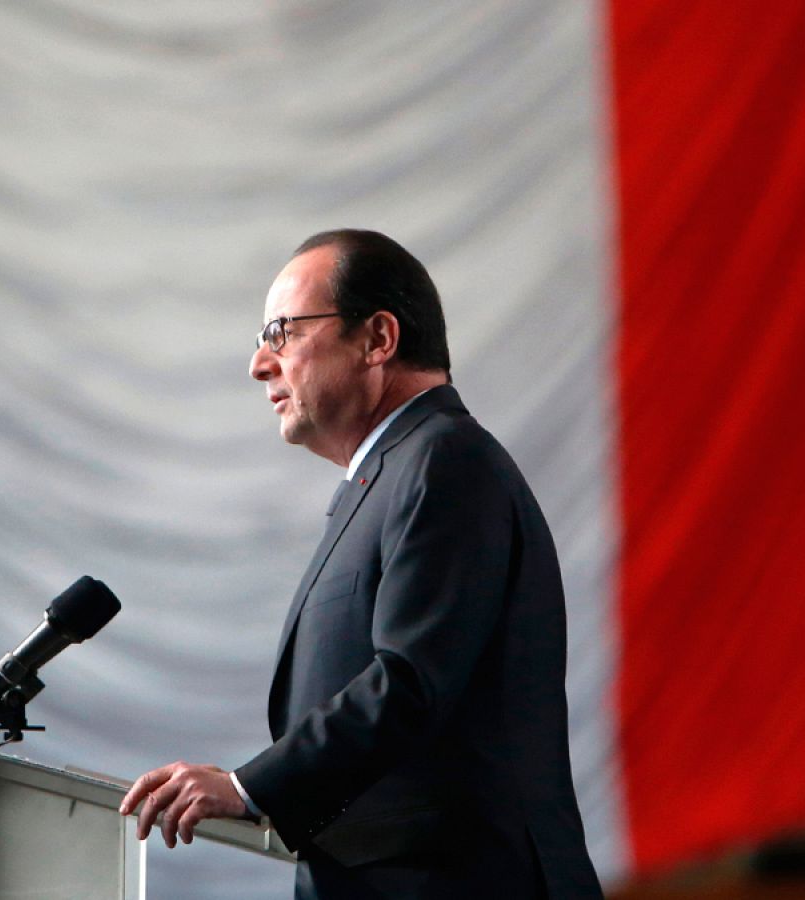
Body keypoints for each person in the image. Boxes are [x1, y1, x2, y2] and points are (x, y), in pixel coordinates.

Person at [120, 230, 602, 898]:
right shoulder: (391, 474)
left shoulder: (444, 461)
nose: (260, 363)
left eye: (283, 332)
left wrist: (245, 786)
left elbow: (410, 683)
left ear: (377, 339)